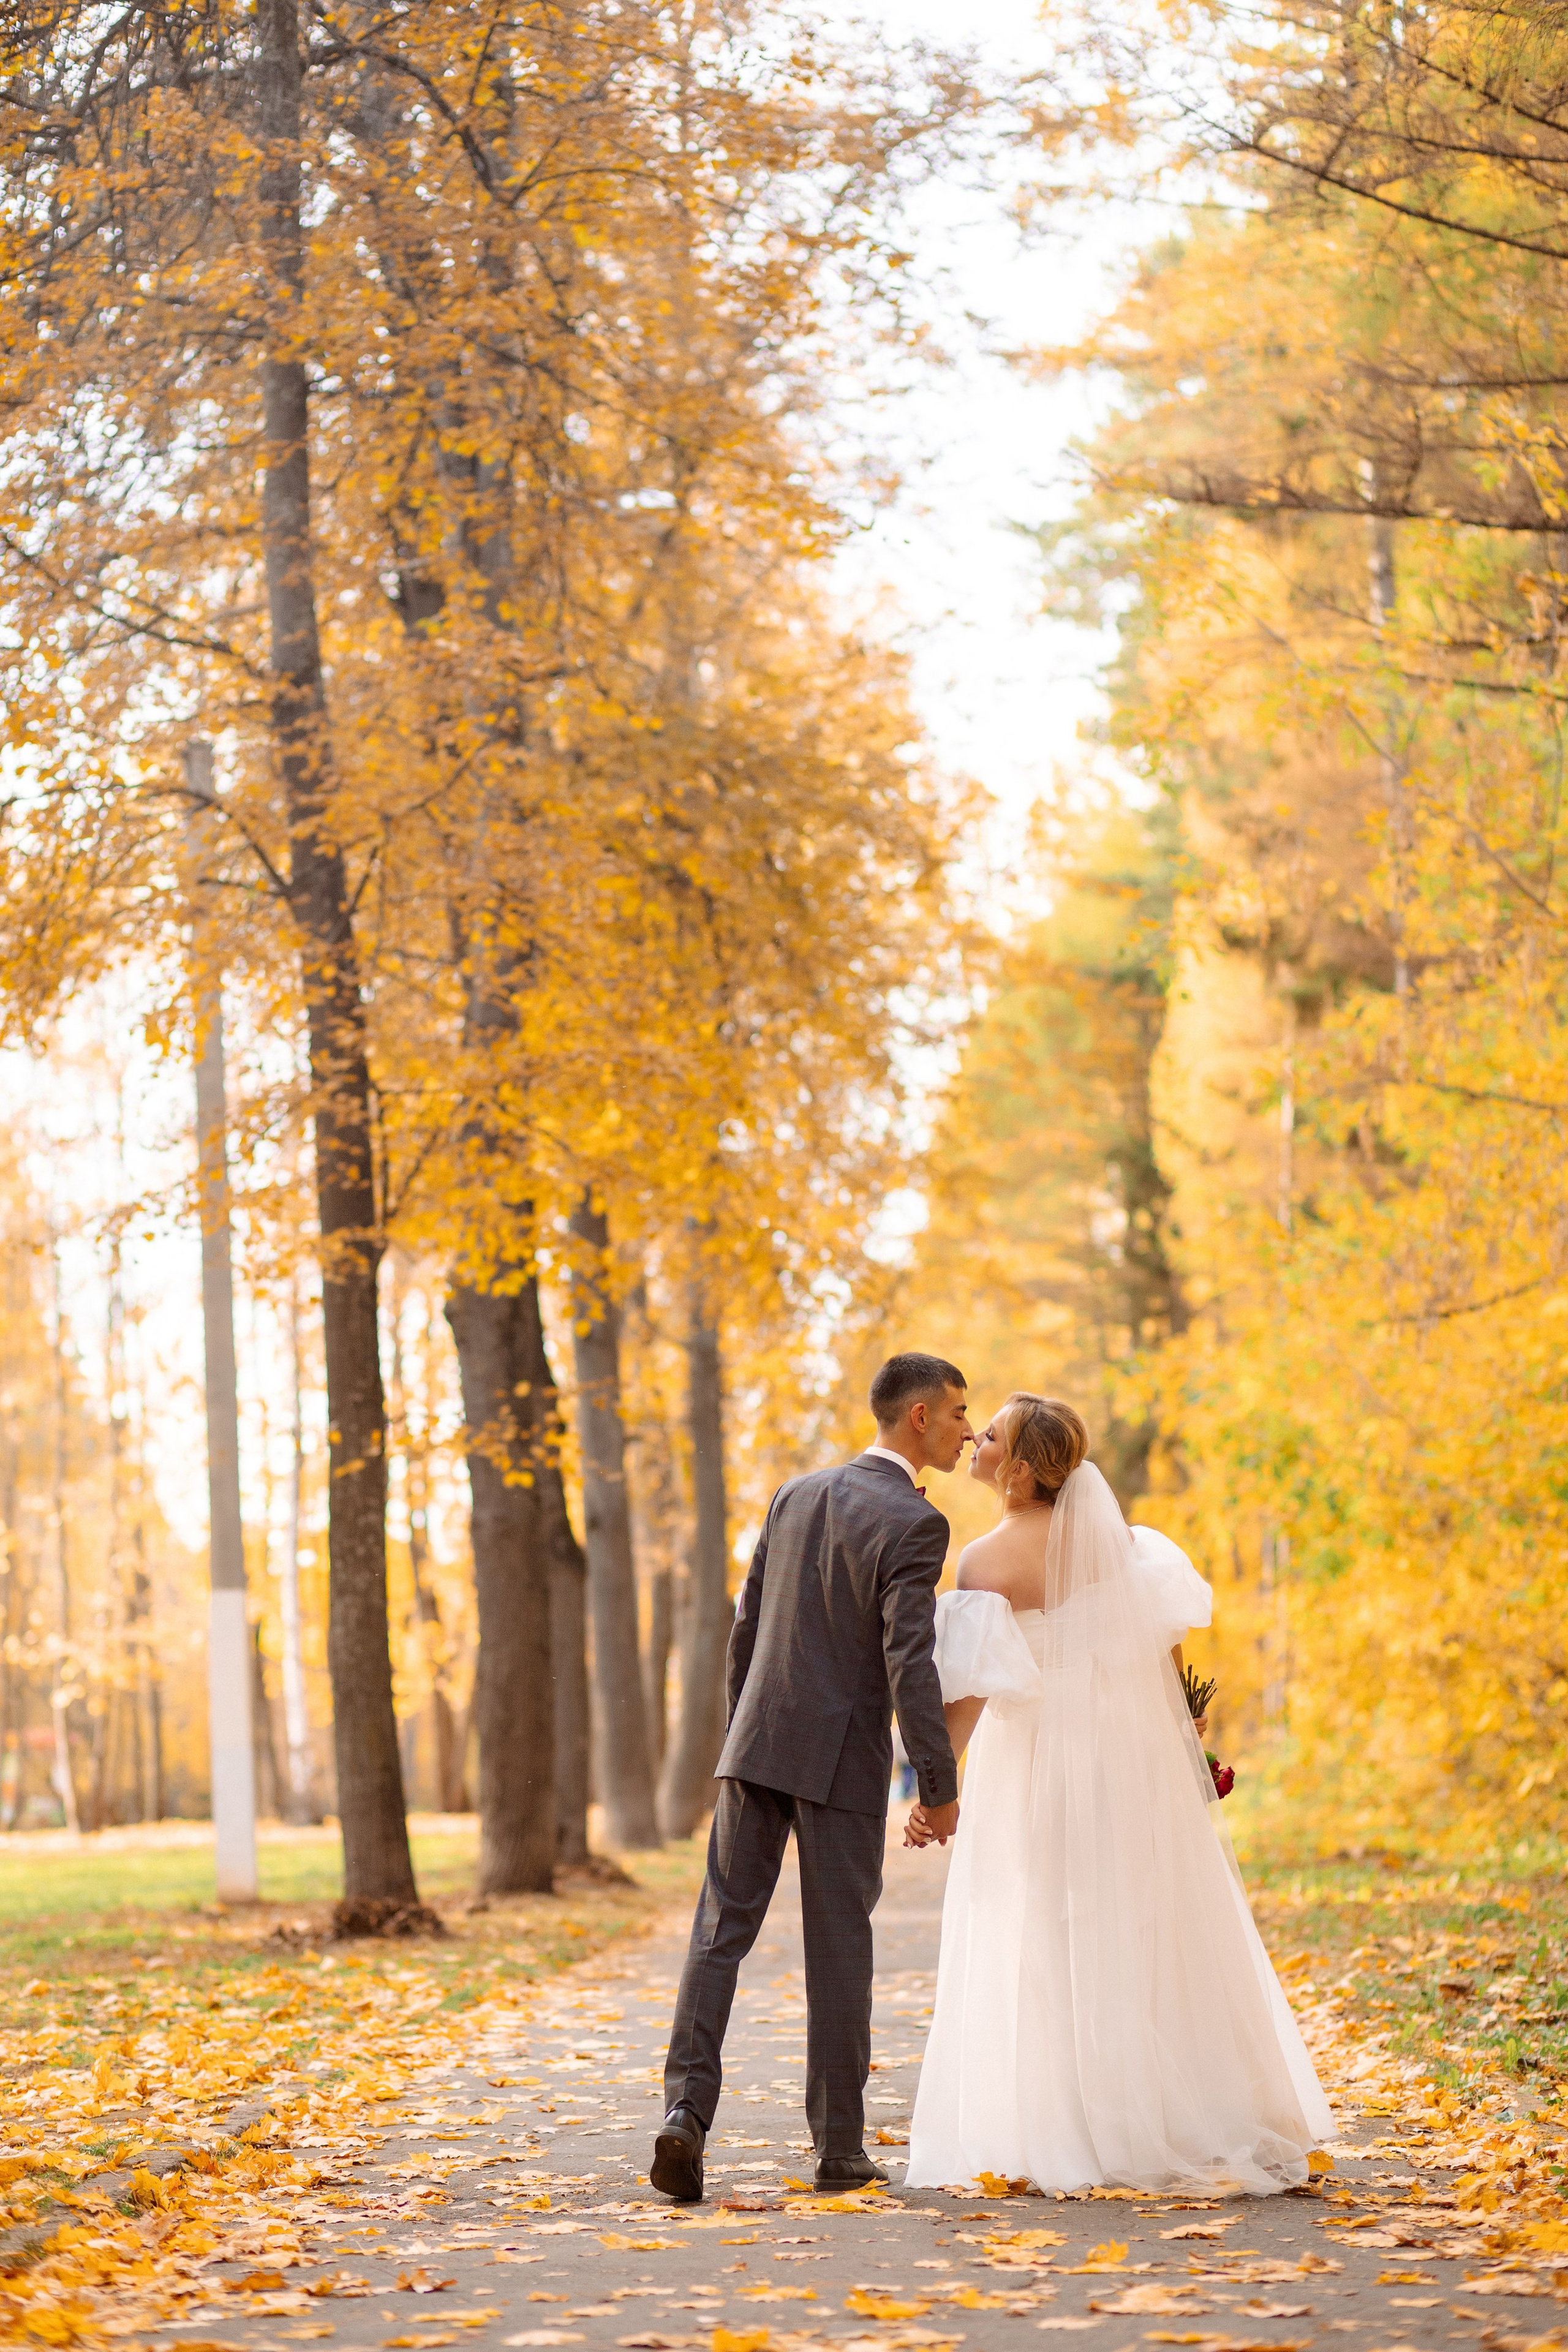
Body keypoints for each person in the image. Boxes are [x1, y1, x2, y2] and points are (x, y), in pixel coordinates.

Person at [905, 1393, 1332, 2195]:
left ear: (1021, 1470)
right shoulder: (1127, 1551)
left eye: (990, 1434)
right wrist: (1185, 1748)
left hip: (1032, 1759)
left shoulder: (987, 1562)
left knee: (1039, 1924)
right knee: (1136, 1924)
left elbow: (966, 1695)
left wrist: (935, 1791)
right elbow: (1168, 1668)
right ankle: (1162, 2115)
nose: (977, 1441)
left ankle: (1068, 2123)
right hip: (1121, 1757)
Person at [651, 1351, 973, 2203]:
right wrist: (938, 1786)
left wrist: (740, 1734)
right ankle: (838, 2149)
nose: (967, 1431)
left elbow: (745, 1631)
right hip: (839, 1763)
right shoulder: (915, 1523)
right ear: (918, 1419)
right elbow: (911, 1662)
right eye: (957, 1415)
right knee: (840, 1949)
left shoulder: (794, 1495)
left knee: (719, 1931)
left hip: (755, 1744)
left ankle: (685, 2114)